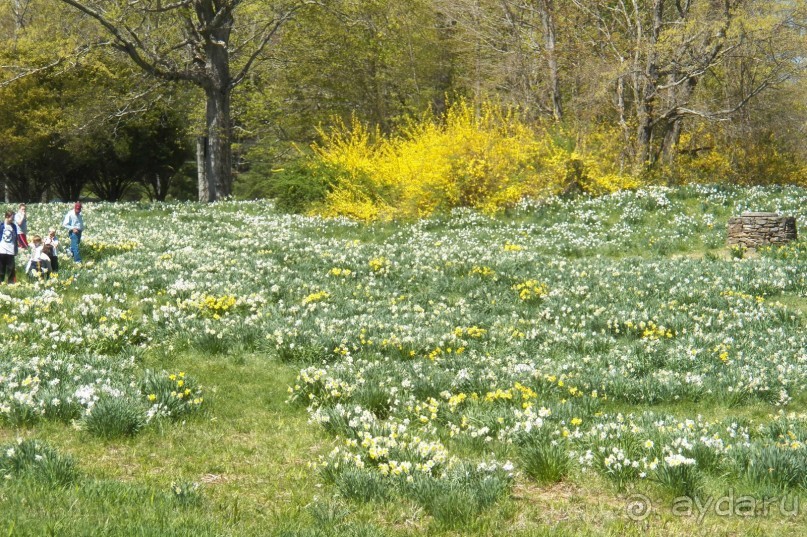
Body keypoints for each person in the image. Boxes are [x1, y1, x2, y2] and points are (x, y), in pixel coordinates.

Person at [0, 211, 20, 284]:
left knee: (11, 268)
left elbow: (16, 238)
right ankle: (1, 282)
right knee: (1, 267)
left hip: (11, 249)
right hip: (2, 249)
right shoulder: (1, 225)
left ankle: (11, 283)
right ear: (7, 217)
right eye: (12, 217)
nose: (13, 219)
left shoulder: (13, 226)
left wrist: (16, 249)